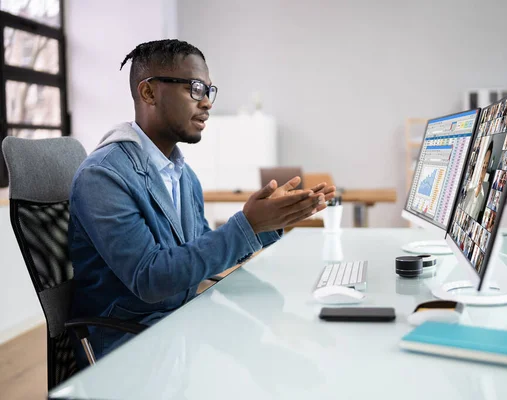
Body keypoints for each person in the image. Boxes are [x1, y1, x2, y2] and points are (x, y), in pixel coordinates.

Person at [68, 39, 335, 364]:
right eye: (195, 88)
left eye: (209, 90)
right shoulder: (103, 176)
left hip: (179, 330)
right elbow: (151, 279)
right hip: (128, 348)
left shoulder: (183, 175)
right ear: (149, 92)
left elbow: (201, 257)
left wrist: (268, 228)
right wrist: (248, 224)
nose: (207, 102)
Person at [462, 140, 493, 222]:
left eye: (486, 165)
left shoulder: (483, 192)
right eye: (483, 163)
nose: (484, 167)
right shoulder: (468, 184)